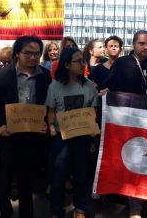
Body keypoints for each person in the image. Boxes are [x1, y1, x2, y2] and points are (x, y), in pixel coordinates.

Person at [102, 31, 147, 218]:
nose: (145, 47)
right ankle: (134, 208)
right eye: (142, 43)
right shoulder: (121, 64)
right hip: (130, 125)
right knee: (132, 166)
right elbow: (110, 86)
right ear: (134, 44)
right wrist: (107, 93)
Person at [0, 35, 52, 218]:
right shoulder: (1, 75)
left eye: (36, 54)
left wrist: (46, 124)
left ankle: (27, 214)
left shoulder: (45, 76)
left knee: (27, 180)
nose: (33, 57)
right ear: (17, 54)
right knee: (5, 177)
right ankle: (5, 212)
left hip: (32, 137)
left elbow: (49, 106)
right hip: (8, 135)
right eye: (28, 53)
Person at [44, 47, 97, 218]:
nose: (83, 64)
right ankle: (55, 211)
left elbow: (93, 110)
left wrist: (92, 127)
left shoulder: (89, 86)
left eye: (83, 60)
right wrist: (51, 126)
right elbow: (51, 110)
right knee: (58, 178)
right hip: (61, 138)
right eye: (79, 61)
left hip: (82, 138)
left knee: (81, 176)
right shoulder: (55, 86)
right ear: (67, 64)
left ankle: (80, 208)